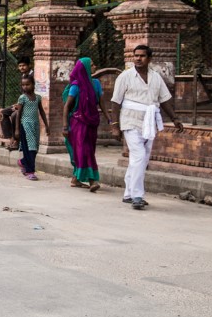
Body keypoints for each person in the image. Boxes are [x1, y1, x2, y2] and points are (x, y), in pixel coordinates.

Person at [110, 45, 183, 209]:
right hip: (130, 120)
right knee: (139, 156)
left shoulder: (156, 78)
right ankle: (137, 196)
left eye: (142, 56)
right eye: (136, 55)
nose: (138, 58)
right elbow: (115, 102)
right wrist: (115, 126)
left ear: (149, 58)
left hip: (149, 121)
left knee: (142, 158)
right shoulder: (125, 76)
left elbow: (164, 100)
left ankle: (128, 193)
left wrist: (175, 118)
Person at [62, 57, 111, 193]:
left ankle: (75, 178)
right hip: (78, 123)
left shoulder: (96, 83)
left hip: (92, 122)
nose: (95, 66)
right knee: (85, 150)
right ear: (85, 68)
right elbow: (67, 107)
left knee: (86, 150)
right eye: (92, 64)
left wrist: (109, 118)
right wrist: (65, 126)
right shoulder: (76, 86)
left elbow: (102, 103)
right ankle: (92, 180)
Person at [11, 73, 49, 180]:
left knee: (35, 148)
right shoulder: (22, 98)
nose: (25, 87)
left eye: (27, 84)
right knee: (29, 149)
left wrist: (46, 125)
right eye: (23, 85)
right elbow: (18, 114)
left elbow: (41, 111)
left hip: (35, 126)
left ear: (33, 84)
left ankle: (23, 162)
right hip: (25, 125)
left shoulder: (37, 98)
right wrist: (17, 129)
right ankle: (30, 171)